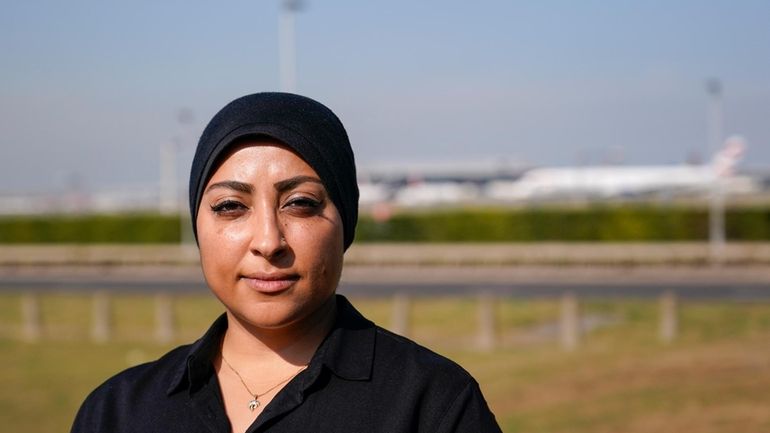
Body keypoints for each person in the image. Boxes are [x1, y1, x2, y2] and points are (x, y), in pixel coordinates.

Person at [70, 92, 502, 433]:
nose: (268, 241)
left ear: (345, 223)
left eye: (299, 203)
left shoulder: (433, 404)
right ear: (197, 225)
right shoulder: (117, 410)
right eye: (230, 207)